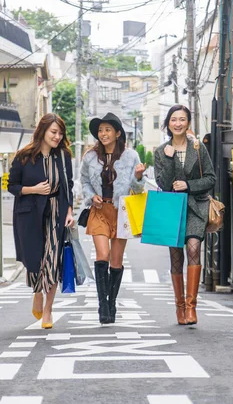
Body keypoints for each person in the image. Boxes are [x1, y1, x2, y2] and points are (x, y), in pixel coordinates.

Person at [8, 113, 75, 329]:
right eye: (54, 132)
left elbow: (68, 184)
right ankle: (37, 292)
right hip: (31, 212)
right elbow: (13, 186)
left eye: (60, 133)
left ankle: (48, 310)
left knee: (54, 259)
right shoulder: (24, 156)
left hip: (57, 210)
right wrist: (33, 190)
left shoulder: (63, 156)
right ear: (43, 131)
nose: (57, 137)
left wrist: (70, 211)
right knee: (36, 258)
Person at [153, 105, 216, 325]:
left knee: (194, 248)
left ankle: (191, 307)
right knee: (176, 258)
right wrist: (170, 159)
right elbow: (162, 183)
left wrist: (188, 185)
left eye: (182, 119)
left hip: (196, 207)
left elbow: (211, 178)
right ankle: (179, 307)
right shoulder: (161, 151)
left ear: (188, 123)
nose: (178, 123)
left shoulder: (198, 148)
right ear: (168, 124)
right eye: (173, 120)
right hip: (172, 209)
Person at [81, 112, 146, 324]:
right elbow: (84, 182)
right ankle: (103, 304)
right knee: (103, 255)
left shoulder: (131, 156)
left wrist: (137, 177)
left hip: (122, 212)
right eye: (100, 130)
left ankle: (112, 302)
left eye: (108, 129)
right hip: (100, 210)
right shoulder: (90, 157)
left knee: (116, 261)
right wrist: (91, 196)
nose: (103, 134)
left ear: (117, 133)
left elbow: (138, 187)